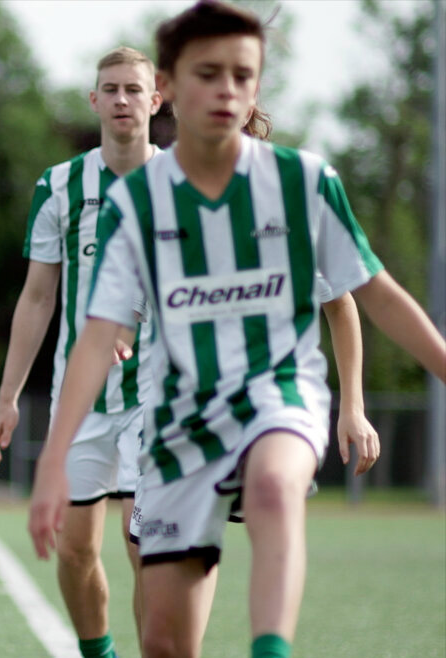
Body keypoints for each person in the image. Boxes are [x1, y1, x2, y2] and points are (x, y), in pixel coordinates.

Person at [28, 3, 446, 657]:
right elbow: (94, 336)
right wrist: (53, 462)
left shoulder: (305, 182)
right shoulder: (135, 203)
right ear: (169, 84)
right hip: (177, 422)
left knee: (276, 483)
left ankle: (270, 648)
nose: (227, 90)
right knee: (165, 642)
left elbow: (378, 298)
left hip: (278, 394)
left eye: (243, 75)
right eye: (208, 73)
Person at [0, 46, 162, 658]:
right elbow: (37, 298)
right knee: (75, 548)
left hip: (159, 396)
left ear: (155, 100)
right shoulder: (59, 185)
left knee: (149, 550)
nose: (121, 99)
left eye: (133, 89)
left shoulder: (182, 183)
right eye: (109, 89)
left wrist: (133, 327)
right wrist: (9, 396)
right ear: (94, 100)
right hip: (79, 398)